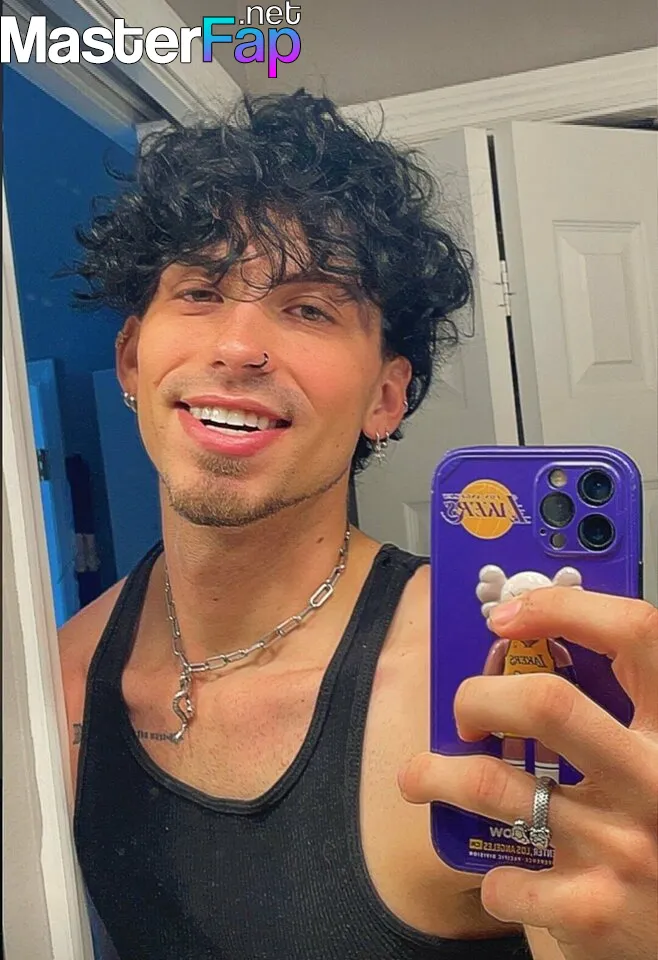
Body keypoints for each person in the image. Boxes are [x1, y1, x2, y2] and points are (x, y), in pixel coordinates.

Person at [58, 90, 658, 960]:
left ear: (385, 396)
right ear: (129, 359)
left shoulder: (489, 689)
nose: (237, 345)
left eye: (309, 307)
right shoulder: (59, 684)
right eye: (200, 290)